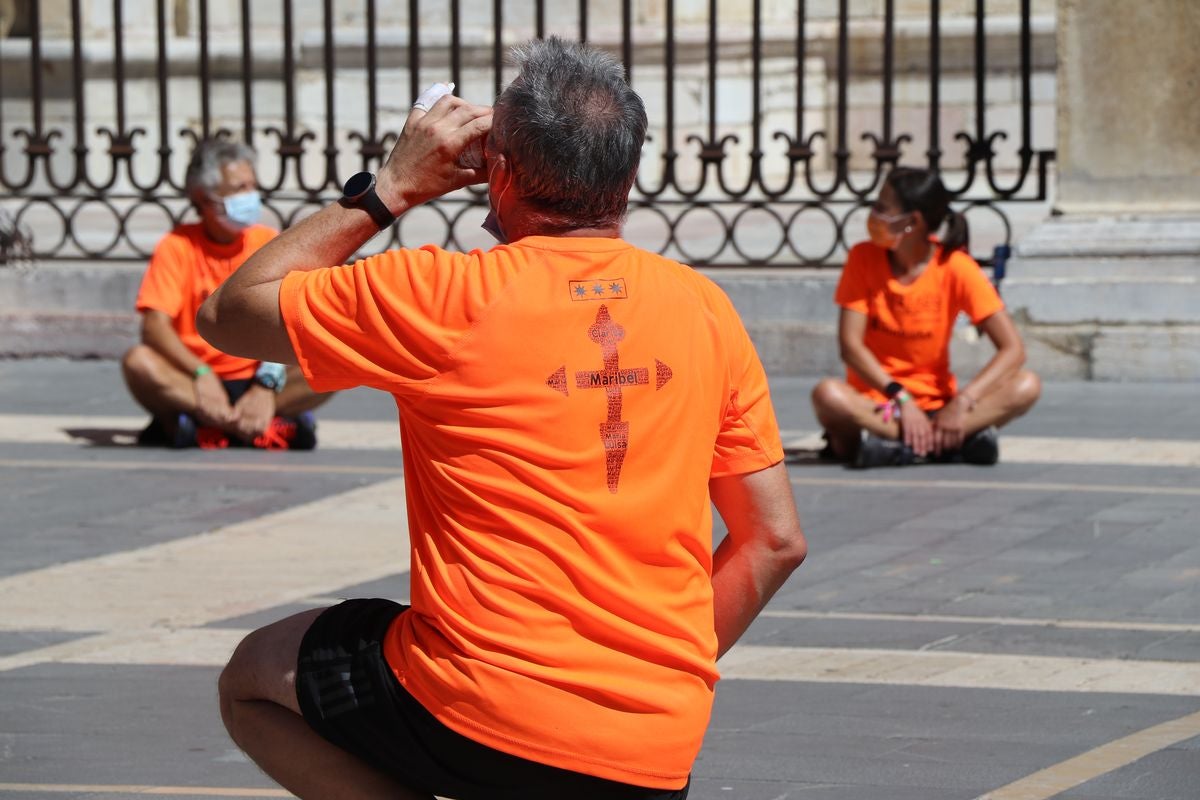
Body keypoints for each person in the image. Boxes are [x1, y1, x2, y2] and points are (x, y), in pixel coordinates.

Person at [199, 38, 807, 800]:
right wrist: (651, 672)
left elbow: (229, 313)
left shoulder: (439, 296)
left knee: (255, 676)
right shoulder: (704, 309)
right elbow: (775, 540)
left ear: (502, 172)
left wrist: (389, 188)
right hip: (656, 741)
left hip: (477, 708)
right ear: (625, 176)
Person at [811, 167, 1041, 468]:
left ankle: (902, 445)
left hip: (940, 407)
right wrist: (901, 399)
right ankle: (945, 444)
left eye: (883, 207)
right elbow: (850, 347)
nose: (874, 215)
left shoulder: (955, 266)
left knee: (1027, 385)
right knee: (827, 395)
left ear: (913, 221)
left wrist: (963, 402)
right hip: (880, 405)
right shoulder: (862, 258)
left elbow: (1013, 350)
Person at [122, 139, 330, 449]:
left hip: (261, 375)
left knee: (337, 356)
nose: (249, 194)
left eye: (252, 185)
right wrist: (201, 373)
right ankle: (261, 426)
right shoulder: (177, 245)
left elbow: (292, 318)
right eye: (238, 188)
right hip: (195, 381)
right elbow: (154, 326)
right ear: (202, 198)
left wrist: (265, 386)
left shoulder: (266, 241)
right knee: (138, 362)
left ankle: (212, 426)